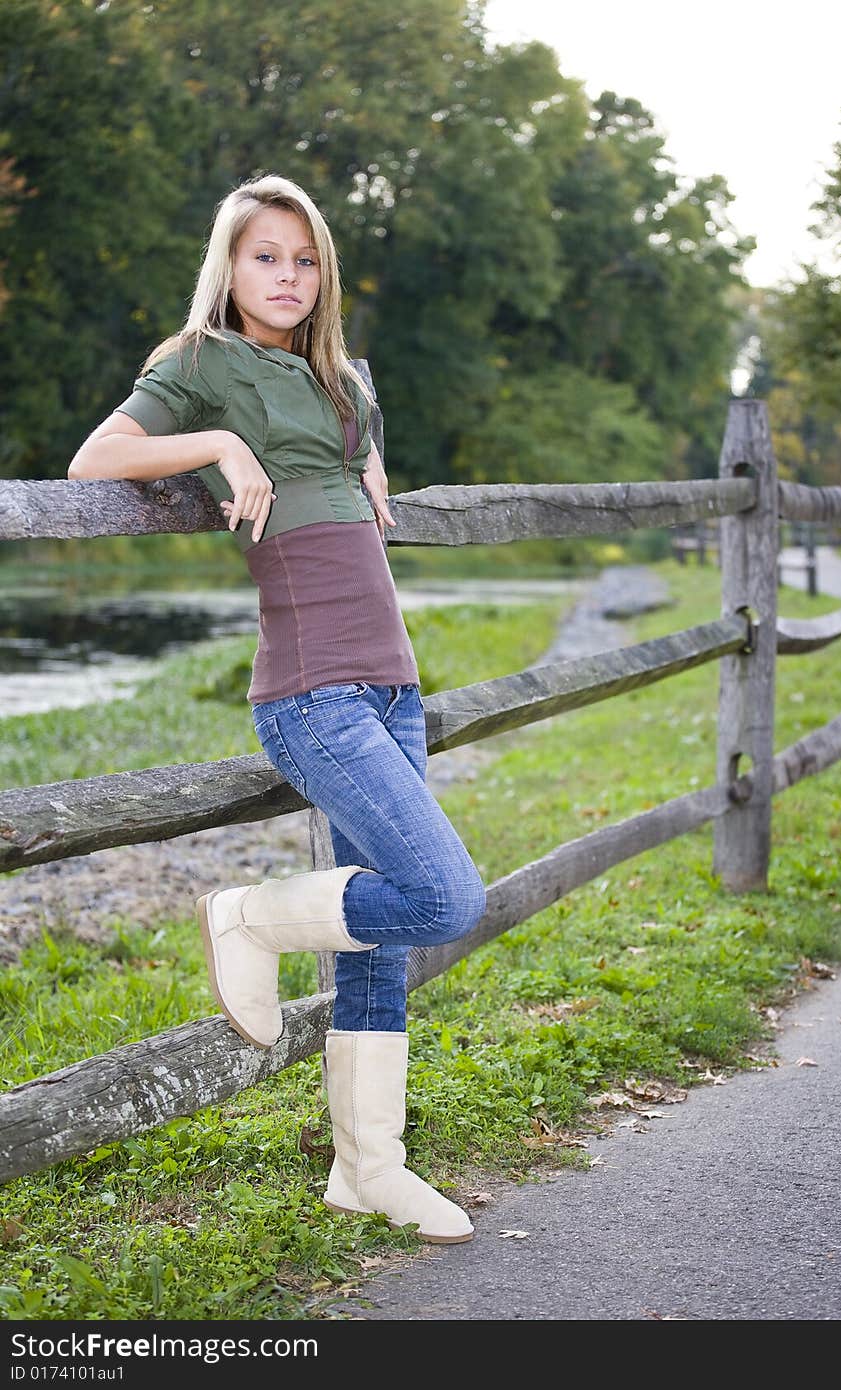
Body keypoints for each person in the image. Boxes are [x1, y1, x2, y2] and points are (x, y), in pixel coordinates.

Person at [68, 173, 487, 1245]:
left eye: (304, 260)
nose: (287, 277)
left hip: (393, 687)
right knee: (441, 896)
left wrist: (366, 453)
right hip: (313, 691)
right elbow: (97, 457)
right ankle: (245, 916)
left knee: (380, 937)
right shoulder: (200, 364)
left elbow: (349, 464)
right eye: (266, 256)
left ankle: (367, 1166)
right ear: (230, 265)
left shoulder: (344, 380)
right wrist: (220, 445)